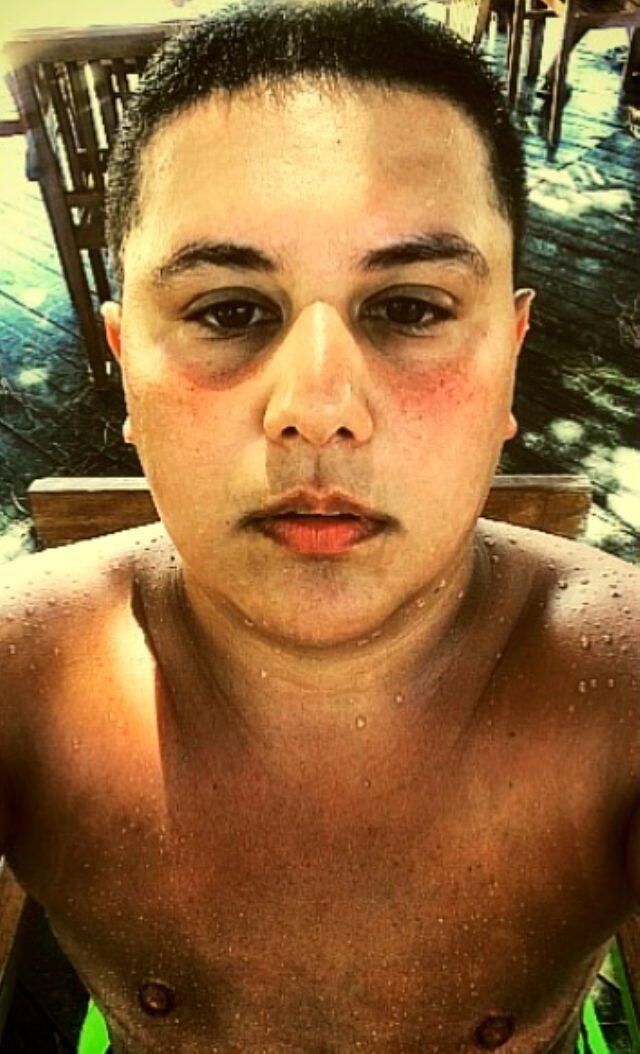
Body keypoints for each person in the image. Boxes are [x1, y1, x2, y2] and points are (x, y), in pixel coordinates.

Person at [1, 1, 638, 1051]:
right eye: (228, 311)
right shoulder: (28, 679)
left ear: (510, 355)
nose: (317, 406)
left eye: (411, 308)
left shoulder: (617, 693)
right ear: (124, 364)